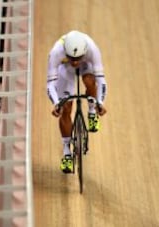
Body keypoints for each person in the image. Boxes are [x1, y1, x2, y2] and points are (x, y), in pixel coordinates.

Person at [46, 30, 107, 173]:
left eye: (77, 58)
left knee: (90, 81)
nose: (74, 62)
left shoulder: (92, 49)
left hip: (86, 65)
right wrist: (57, 103)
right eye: (71, 58)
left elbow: (101, 80)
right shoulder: (56, 52)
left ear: (84, 52)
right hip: (64, 68)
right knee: (66, 108)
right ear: (65, 51)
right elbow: (50, 83)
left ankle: (92, 112)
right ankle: (67, 152)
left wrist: (100, 102)